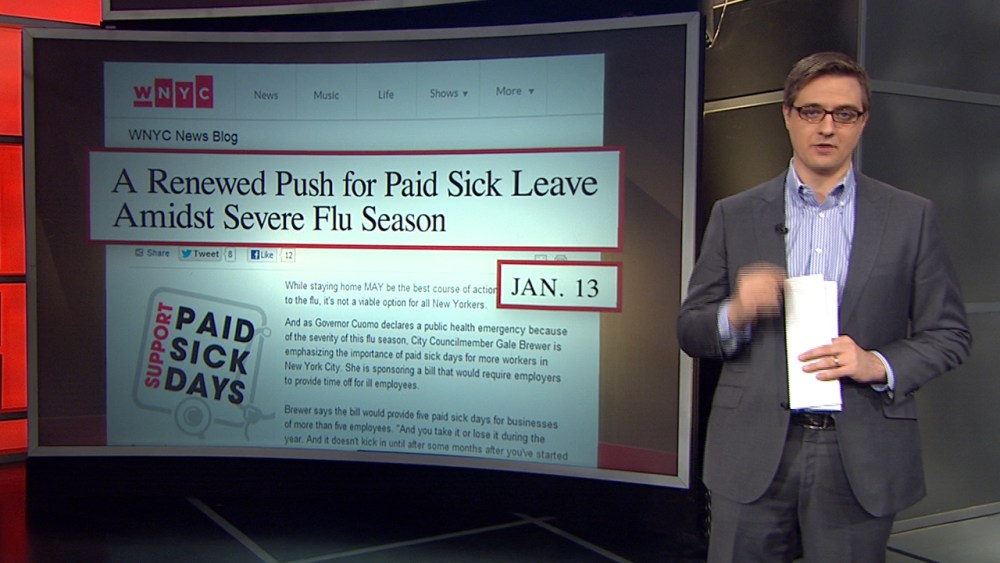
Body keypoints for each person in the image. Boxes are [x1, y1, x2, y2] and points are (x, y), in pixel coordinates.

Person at [677, 51, 971, 562]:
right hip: (752, 449)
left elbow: (949, 334)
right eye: (812, 111)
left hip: (860, 454)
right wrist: (736, 312)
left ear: (864, 120)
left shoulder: (910, 217)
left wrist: (877, 363)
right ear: (788, 115)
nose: (827, 127)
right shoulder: (735, 214)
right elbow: (690, 330)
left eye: (845, 114)